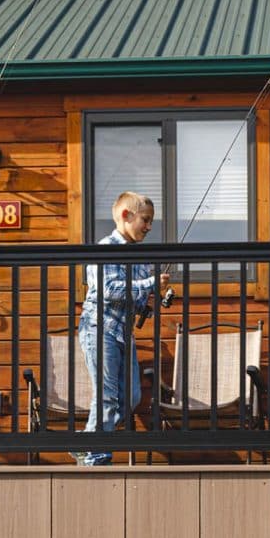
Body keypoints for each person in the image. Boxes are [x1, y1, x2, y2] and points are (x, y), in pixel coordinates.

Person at [73, 191, 169, 466]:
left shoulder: (140, 259)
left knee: (131, 396)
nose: (149, 227)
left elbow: (133, 298)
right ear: (126, 216)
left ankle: (85, 443)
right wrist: (150, 285)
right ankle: (96, 455)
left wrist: (148, 302)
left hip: (122, 333)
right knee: (107, 394)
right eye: (146, 220)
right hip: (99, 328)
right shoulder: (105, 247)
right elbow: (108, 289)